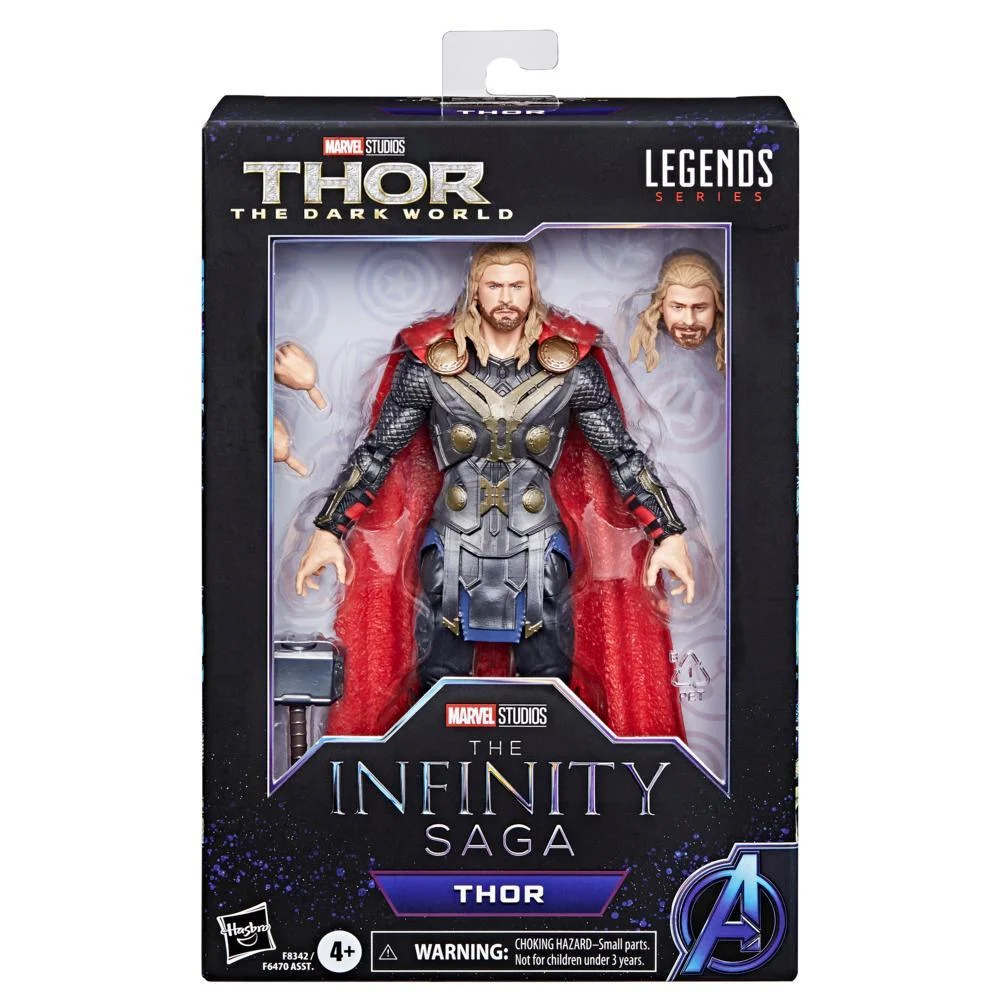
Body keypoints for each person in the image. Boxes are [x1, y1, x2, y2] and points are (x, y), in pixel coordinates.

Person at [296, 243, 695, 737]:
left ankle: (550, 776)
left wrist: (668, 533)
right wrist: (329, 530)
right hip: (452, 544)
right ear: (475, 289)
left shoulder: (572, 364)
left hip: (538, 546)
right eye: (494, 285)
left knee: (549, 684)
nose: (506, 297)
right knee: (438, 684)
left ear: (532, 289)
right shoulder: (428, 361)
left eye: (516, 285)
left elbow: (622, 455)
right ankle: (435, 773)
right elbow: (377, 452)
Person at [629, 248, 726, 373]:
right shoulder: (640, 350)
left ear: (717, 306)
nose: (689, 321)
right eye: (678, 307)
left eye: (700, 308)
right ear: (660, 305)